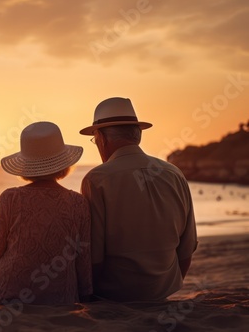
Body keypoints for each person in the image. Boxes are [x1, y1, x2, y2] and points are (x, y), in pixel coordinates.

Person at [79, 97, 198, 302]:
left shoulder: (97, 179)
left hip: (114, 295)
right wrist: (159, 288)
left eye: (95, 139)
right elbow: (186, 250)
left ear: (101, 137)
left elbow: (94, 258)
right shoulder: (175, 174)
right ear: (139, 135)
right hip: (163, 293)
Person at [0, 121, 92, 305]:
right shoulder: (78, 203)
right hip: (59, 299)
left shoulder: (10, 198)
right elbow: (83, 259)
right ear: (64, 163)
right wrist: (85, 299)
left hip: (6, 295)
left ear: (26, 164)